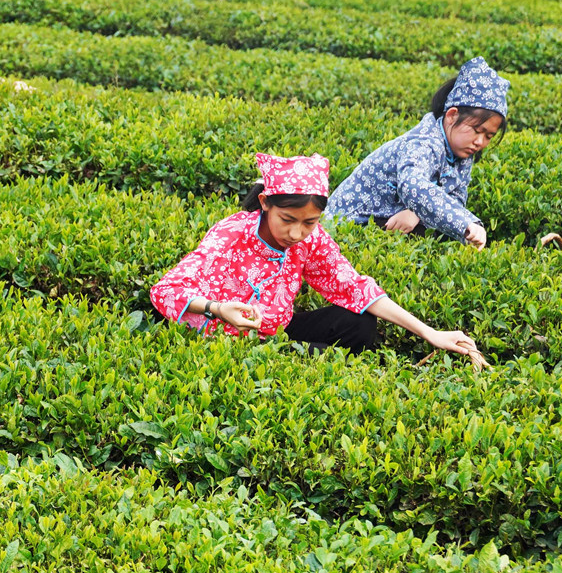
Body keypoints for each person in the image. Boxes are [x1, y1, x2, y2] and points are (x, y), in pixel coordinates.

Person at [150, 152, 488, 367]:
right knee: (313, 355)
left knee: (359, 322)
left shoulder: (313, 239)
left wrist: (430, 333)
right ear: (266, 203)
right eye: (288, 220)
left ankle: (310, 364)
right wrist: (218, 308)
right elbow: (165, 291)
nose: (297, 234)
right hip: (224, 338)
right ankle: (306, 365)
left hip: (277, 330)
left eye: (309, 223)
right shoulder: (232, 233)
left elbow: (354, 287)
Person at [325, 56, 510, 249]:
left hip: (388, 221)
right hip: (350, 226)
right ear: (452, 115)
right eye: (476, 130)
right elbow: (413, 185)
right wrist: (465, 222)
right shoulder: (423, 143)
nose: (480, 141)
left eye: (489, 136)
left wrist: (417, 214)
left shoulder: (462, 154)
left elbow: (455, 198)